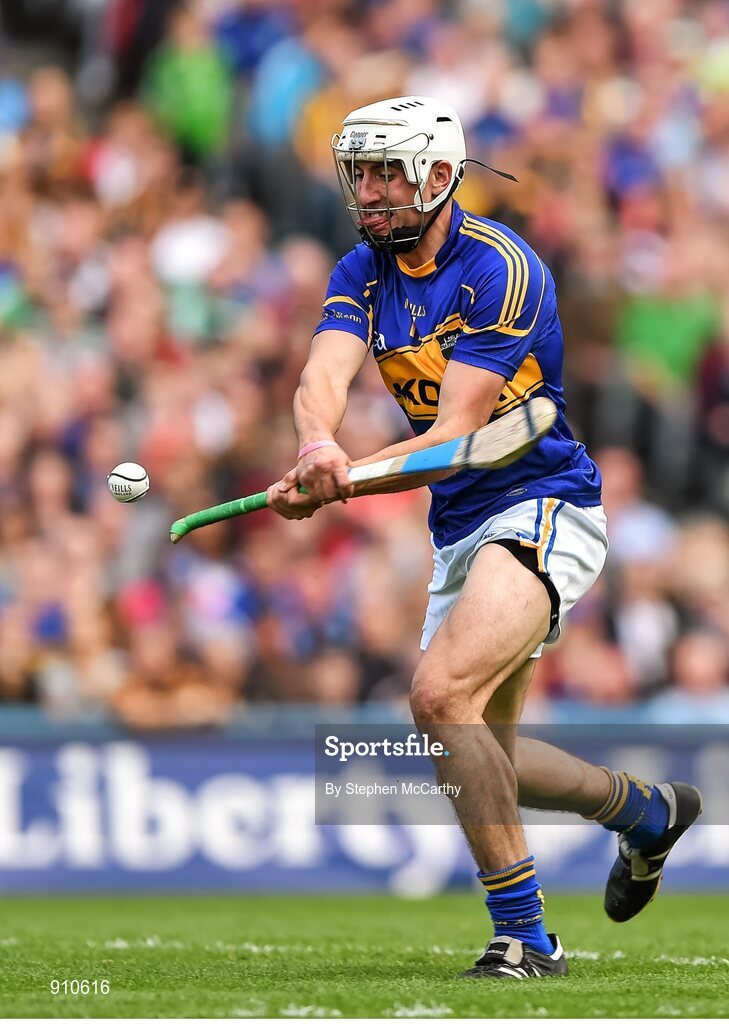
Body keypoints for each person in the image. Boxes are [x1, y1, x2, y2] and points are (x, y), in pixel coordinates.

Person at [267, 96, 702, 979]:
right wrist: (317, 445)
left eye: (387, 171)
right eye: (360, 173)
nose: (370, 190)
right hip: (459, 522)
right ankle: (644, 813)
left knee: (436, 699)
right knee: (480, 758)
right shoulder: (360, 269)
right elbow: (322, 373)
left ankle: (526, 939)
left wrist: (345, 481)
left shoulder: (498, 265)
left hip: (544, 502)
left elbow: (456, 437)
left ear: (436, 174)